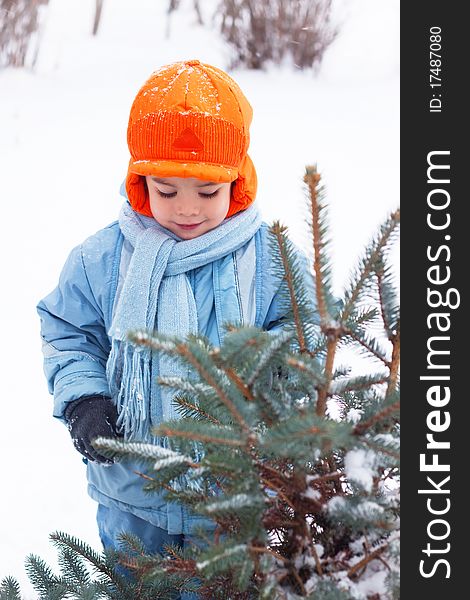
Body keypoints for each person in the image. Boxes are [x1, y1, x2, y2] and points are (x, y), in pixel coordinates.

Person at [37, 59, 313, 595]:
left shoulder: (267, 257)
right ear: (140, 182)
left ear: (237, 180)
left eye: (207, 193)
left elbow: (299, 335)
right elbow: (67, 330)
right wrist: (84, 400)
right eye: (167, 190)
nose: (186, 210)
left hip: (233, 497)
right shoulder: (105, 257)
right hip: (132, 493)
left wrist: (275, 404)